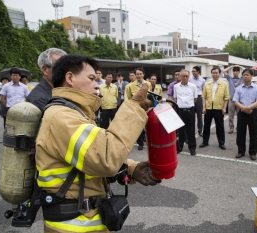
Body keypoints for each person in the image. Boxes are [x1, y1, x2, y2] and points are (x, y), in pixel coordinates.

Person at [36, 54, 161, 232]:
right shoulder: (62, 117)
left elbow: (91, 154)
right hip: (73, 226)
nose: (97, 84)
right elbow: (105, 158)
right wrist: (133, 108)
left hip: (86, 220)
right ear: (70, 78)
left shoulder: (74, 113)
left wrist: (131, 168)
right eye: (91, 78)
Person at [233, 69, 257, 160]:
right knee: (240, 133)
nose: (245, 76)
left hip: (253, 113)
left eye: (247, 75)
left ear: (251, 76)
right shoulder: (238, 88)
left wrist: (249, 108)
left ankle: (253, 152)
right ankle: (241, 151)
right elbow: (235, 101)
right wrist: (244, 108)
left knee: (253, 133)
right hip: (242, 112)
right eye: (244, 75)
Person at [27, 48, 67, 112]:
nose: (66, 70)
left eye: (67, 66)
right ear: (45, 70)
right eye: (60, 66)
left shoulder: (59, 92)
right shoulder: (39, 99)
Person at [200, 67, 229, 150]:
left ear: (219, 74)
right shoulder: (207, 84)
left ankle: (221, 143)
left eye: (216, 73)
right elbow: (204, 97)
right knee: (206, 126)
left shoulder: (224, 84)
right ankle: (205, 142)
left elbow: (226, 97)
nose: (215, 74)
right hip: (208, 108)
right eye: (213, 73)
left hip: (219, 108)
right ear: (211, 74)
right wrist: (204, 107)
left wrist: (224, 108)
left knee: (220, 127)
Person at [124, 67, 152, 150]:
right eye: (137, 74)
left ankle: (148, 139)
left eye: (140, 74)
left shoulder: (148, 84)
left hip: (146, 108)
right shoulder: (130, 86)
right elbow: (127, 98)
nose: (139, 76)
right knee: (138, 125)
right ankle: (140, 142)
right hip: (136, 109)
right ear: (135, 75)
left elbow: (149, 95)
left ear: (143, 74)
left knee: (148, 124)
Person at [174, 69, 197, 156]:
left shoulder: (193, 86)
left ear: (189, 76)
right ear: (180, 76)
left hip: (190, 110)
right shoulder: (176, 87)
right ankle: (179, 147)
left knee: (191, 130)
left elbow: (195, 99)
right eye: (183, 76)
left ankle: (192, 148)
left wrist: (189, 106)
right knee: (180, 130)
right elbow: (175, 98)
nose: (185, 77)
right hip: (180, 110)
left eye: (186, 76)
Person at [223, 65, 245, 134]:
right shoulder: (230, 78)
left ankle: (239, 128)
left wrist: (239, 66)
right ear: (232, 72)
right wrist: (232, 66)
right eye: (234, 71)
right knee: (230, 115)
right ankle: (231, 128)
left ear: (238, 72)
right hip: (232, 100)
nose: (235, 73)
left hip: (239, 100)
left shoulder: (242, 78)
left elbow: (246, 70)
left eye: (237, 71)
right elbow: (224, 71)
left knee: (240, 116)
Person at [189, 66, 205, 136]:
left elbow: (203, 91)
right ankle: (191, 131)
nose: (193, 72)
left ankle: (200, 130)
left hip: (199, 98)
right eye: (192, 71)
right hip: (191, 98)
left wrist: (203, 101)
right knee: (191, 115)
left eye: (194, 71)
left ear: (198, 71)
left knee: (199, 115)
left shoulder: (202, 80)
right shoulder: (190, 80)